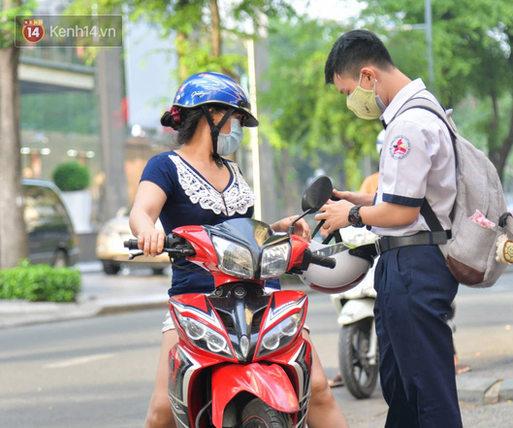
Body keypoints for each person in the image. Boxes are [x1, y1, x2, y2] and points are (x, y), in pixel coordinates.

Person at [130, 72, 348, 428]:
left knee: (318, 387)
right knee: (162, 409)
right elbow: (142, 211)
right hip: (197, 296)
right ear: (211, 115)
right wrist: (148, 233)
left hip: (259, 293)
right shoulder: (165, 166)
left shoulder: (233, 169)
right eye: (235, 119)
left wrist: (277, 228)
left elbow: (243, 231)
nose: (238, 129)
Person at [317, 30, 463, 428]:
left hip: (414, 263)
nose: (351, 102)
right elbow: (413, 197)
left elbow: (400, 213)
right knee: (402, 390)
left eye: (348, 91)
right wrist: (358, 199)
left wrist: (349, 216)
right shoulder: (421, 110)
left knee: (426, 394)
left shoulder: (408, 126)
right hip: (411, 262)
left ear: (368, 77)